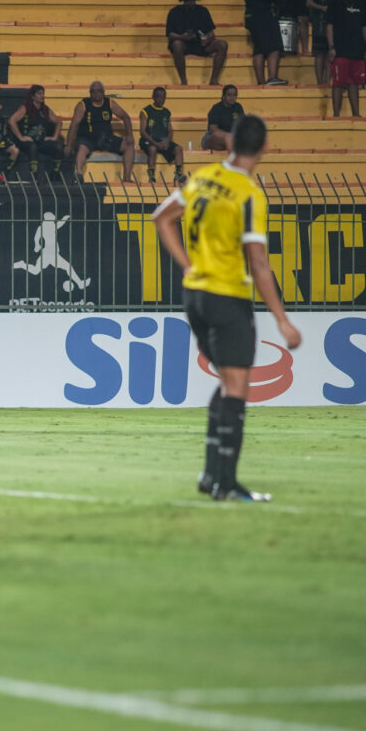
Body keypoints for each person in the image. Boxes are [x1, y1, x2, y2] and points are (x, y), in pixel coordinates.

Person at [152, 114, 302, 502]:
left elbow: (161, 218)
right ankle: (227, 484)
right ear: (265, 148)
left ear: (230, 142)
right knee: (237, 388)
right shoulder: (248, 193)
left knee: (227, 383)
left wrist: (188, 267)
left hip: (195, 296)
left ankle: (210, 476)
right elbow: (258, 262)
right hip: (228, 296)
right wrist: (282, 320)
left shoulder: (202, 178)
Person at [65, 81, 136, 183]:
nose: (96, 93)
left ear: (103, 92)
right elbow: (74, 124)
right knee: (82, 148)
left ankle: (127, 178)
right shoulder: (83, 104)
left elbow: (125, 116)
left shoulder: (110, 102)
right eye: (93, 91)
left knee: (129, 145)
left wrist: (129, 134)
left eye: (99, 91)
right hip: (87, 137)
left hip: (105, 138)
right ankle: (79, 173)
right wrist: (69, 145)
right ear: (90, 93)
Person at [328, 0, 366, 117]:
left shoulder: (361, 5)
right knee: (338, 83)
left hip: (357, 50)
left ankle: (356, 114)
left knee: (355, 83)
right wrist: (331, 47)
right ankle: (336, 115)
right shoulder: (335, 3)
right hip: (340, 51)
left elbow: (365, 26)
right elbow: (329, 26)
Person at [166, 0, 229, 86]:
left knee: (222, 44)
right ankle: (183, 81)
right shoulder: (174, 12)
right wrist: (183, 37)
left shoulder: (203, 11)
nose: (190, 3)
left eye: (192, 0)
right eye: (187, 0)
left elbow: (211, 33)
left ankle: (214, 80)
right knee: (177, 45)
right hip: (184, 45)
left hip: (201, 44)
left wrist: (207, 39)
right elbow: (170, 35)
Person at [245, 0, 290, 85]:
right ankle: (272, 77)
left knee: (258, 49)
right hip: (264, 17)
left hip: (252, 17)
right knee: (274, 47)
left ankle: (261, 81)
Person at [8, 84, 64, 178]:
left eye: (43, 93)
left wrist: (54, 137)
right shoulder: (25, 108)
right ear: (33, 96)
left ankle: (55, 173)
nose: (42, 96)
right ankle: (34, 174)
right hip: (27, 141)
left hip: (41, 141)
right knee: (32, 147)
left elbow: (59, 121)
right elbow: (11, 121)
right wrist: (20, 137)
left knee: (58, 146)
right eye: (39, 93)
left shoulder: (45, 109)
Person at [138, 87, 186, 185]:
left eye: (163, 97)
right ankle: (151, 176)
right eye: (158, 97)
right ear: (153, 97)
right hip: (149, 140)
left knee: (179, 149)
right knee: (152, 149)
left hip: (162, 140)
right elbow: (142, 132)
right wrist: (155, 143)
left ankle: (178, 175)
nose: (161, 99)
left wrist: (167, 141)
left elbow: (170, 130)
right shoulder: (146, 111)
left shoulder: (166, 112)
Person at [307, 0, 340, 85]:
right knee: (319, 55)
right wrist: (322, 8)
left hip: (336, 28)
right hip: (320, 26)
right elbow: (309, 2)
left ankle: (327, 82)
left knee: (330, 55)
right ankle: (319, 83)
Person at [202, 84, 245, 151]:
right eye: (229, 95)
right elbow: (213, 129)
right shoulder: (216, 108)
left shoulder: (238, 107)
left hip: (231, 139)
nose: (232, 97)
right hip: (214, 138)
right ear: (223, 96)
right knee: (218, 136)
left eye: (234, 95)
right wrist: (230, 136)